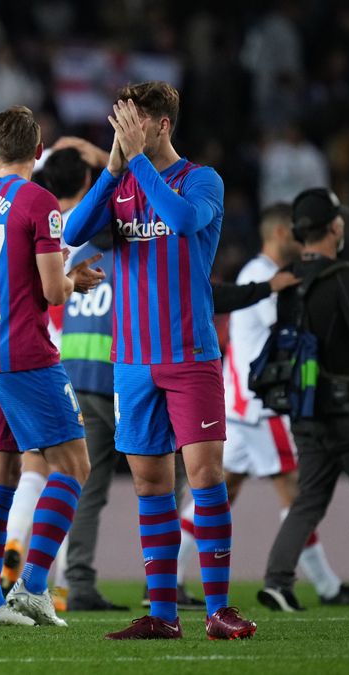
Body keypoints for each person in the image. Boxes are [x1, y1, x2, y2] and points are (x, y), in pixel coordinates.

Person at [64, 81, 258, 640]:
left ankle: (218, 610)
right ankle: (164, 614)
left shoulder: (201, 180)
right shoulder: (120, 183)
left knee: (203, 475)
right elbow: (73, 233)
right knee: (149, 484)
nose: (121, 133)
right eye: (117, 123)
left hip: (189, 353)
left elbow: (181, 220)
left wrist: (135, 168)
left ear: (162, 124)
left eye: (133, 123)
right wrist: (112, 170)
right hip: (131, 359)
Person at [0, 107, 101, 628]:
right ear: (39, 153)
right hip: (25, 352)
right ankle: (35, 587)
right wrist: (75, 280)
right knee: (74, 465)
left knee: (0, 474)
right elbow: (56, 289)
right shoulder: (38, 200)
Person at [197, 203, 349, 608]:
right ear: (282, 233)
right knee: (295, 491)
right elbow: (288, 331)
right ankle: (322, 585)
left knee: (221, 490)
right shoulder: (263, 277)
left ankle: (168, 579)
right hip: (260, 408)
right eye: (296, 233)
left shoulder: (255, 273)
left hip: (239, 404)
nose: (302, 239)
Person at [259, 188, 349, 613]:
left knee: (308, 499)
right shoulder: (343, 276)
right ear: (336, 227)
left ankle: (277, 580)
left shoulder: (286, 279)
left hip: (304, 410)